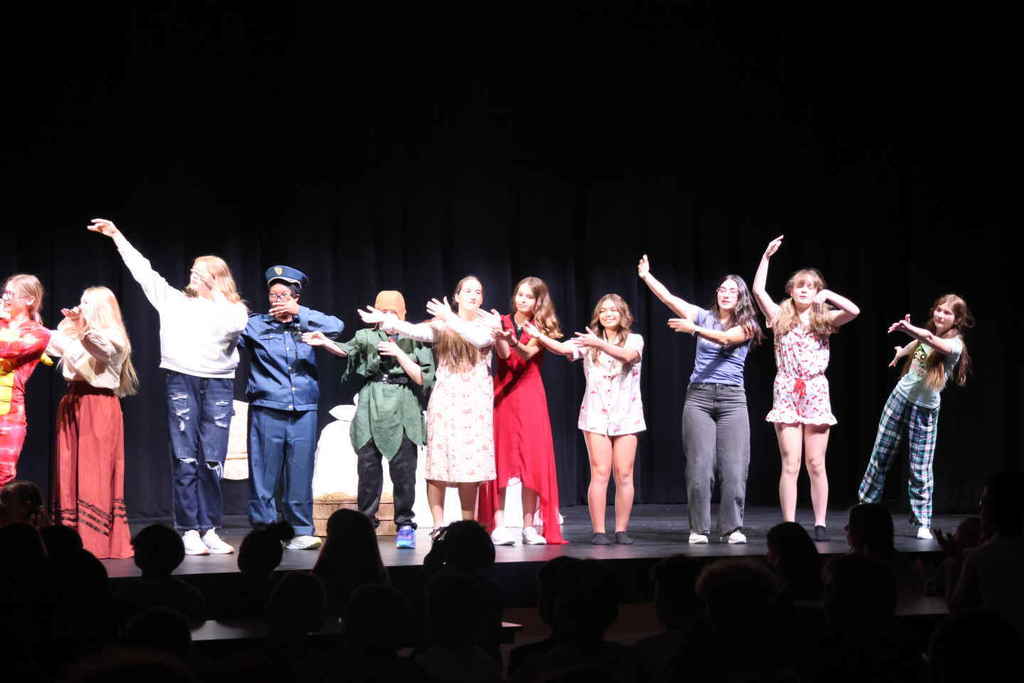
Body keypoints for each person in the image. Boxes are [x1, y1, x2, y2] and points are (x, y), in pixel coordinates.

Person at [89, 218, 248, 555]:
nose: (194, 273)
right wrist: (118, 235)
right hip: (182, 379)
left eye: (201, 271)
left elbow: (233, 328)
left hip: (218, 384)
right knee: (186, 458)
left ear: (217, 278)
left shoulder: (232, 309)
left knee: (213, 461)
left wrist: (216, 290)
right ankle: (189, 528)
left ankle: (211, 528)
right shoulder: (174, 301)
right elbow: (143, 271)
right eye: (193, 269)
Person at [638, 254, 763, 544]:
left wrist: (693, 329)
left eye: (733, 290)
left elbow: (727, 339)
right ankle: (699, 528)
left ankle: (732, 528)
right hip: (699, 397)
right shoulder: (703, 315)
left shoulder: (749, 324)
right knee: (700, 466)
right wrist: (647, 277)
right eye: (723, 289)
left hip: (733, 400)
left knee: (734, 467)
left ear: (741, 296)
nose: (726, 293)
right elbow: (669, 299)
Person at [359, 276, 500, 528]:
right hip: (446, 401)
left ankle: (468, 526)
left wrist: (449, 318)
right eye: (467, 291)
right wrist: (387, 321)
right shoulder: (443, 324)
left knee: (471, 468)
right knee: (438, 466)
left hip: (475, 405)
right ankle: (438, 526)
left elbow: (480, 340)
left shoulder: (488, 322)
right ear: (456, 296)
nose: (473, 296)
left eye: (478, 292)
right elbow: (416, 331)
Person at [304, 289, 434, 549]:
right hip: (371, 401)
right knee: (368, 469)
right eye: (383, 312)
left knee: (404, 471)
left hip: (404, 401)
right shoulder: (366, 336)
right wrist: (325, 342)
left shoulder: (416, 339)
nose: (387, 317)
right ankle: (365, 524)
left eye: (392, 312)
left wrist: (398, 353)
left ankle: (405, 524)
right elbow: (346, 350)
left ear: (402, 314)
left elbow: (423, 377)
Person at [752, 235, 859, 539]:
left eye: (810, 287)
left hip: (815, 390)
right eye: (800, 286)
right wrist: (767, 256)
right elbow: (758, 290)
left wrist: (828, 294)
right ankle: (788, 524)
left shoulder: (824, 318)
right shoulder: (779, 316)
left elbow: (854, 311)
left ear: (816, 292)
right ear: (791, 290)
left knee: (815, 462)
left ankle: (820, 522)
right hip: (787, 388)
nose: (804, 290)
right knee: (791, 462)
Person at [238, 266, 343, 551]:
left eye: (284, 294)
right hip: (267, 406)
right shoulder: (256, 324)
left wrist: (299, 312)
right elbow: (227, 331)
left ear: (296, 297)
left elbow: (337, 326)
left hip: (303, 408)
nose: (277, 300)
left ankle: (300, 529)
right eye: (273, 294)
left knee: (300, 472)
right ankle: (266, 530)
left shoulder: (307, 323)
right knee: (265, 474)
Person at [528, 294, 644, 545]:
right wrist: (537, 335)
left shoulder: (634, 339)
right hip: (595, 413)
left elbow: (629, 356)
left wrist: (597, 344)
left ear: (623, 314)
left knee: (624, 473)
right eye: (603, 310)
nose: (608, 314)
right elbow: (562, 349)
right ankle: (599, 530)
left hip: (627, 414)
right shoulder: (589, 339)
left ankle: (622, 530)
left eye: (613, 310)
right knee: (600, 472)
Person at [857, 294, 973, 539]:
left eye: (947, 313)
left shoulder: (955, 345)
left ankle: (922, 522)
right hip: (899, 399)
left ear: (957, 320)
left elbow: (928, 339)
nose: (940, 315)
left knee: (920, 469)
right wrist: (902, 351)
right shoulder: (928, 333)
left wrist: (909, 329)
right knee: (880, 457)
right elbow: (921, 344)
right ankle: (863, 513)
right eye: (939, 310)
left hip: (925, 410)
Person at [46, 286, 139, 559]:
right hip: (74, 403)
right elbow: (52, 342)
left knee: (93, 472)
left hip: (97, 406)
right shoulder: (80, 334)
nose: (79, 307)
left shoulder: (112, 338)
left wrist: (78, 327)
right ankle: (68, 539)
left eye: (85, 303)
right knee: (70, 470)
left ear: (98, 308)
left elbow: (100, 349)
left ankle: (94, 543)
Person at [478, 276, 566, 546]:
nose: (522, 300)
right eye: (519, 294)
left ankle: (529, 526)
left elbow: (527, 354)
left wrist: (513, 341)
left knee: (532, 461)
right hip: (503, 395)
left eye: (528, 296)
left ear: (538, 300)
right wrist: (503, 337)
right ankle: (500, 524)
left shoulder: (540, 327)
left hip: (530, 396)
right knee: (502, 459)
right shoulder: (502, 321)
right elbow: (505, 357)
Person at [0, 274, 50, 486]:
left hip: (8, 417)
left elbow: (9, 348)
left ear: (29, 300)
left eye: (11, 294)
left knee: (2, 475)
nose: (5, 298)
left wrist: (2, 320)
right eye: (4, 293)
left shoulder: (39, 333)